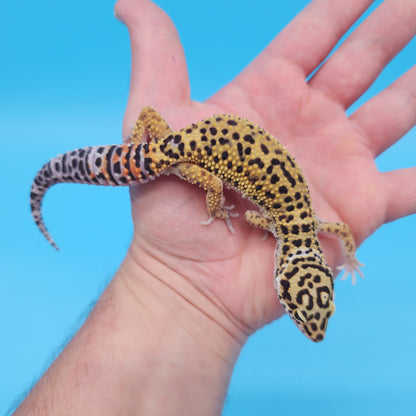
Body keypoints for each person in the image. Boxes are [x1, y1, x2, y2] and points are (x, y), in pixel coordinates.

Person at [14, 0, 416, 414]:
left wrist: (345, 252)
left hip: (179, 140)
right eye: (305, 310)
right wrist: (223, 208)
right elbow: (261, 217)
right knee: (210, 184)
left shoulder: (314, 225)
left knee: (162, 145)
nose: (311, 324)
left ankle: (91, 168)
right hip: (189, 155)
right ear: (284, 274)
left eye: (308, 312)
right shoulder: (286, 225)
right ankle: (80, 174)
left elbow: (327, 229)